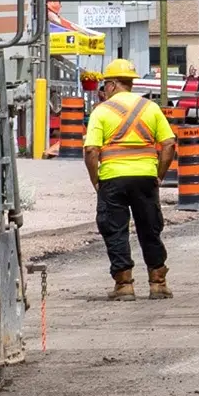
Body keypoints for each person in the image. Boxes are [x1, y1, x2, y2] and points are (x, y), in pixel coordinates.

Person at [82, 59, 178, 300]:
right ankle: (158, 282)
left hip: (113, 179)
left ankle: (124, 285)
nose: (104, 90)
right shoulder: (151, 108)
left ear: (113, 84)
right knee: (150, 229)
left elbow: (91, 150)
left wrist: (96, 180)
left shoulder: (102, 111)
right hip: (146, 178)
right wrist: (159, 175)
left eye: (105, 85)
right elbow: (168, 144)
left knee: (115, 229)